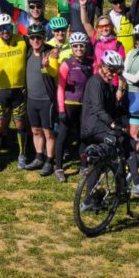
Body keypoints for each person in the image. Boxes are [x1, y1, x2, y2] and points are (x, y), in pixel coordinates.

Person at [79, 50, 139, 207]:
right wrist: (113, 124)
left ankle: (87, 202)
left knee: (99, 163)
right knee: (125, 142)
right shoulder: (96, 82)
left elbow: (113, 109)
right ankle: (137, 183)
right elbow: (99, 109)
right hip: (93, 128)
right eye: (112, 70)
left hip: (98, 127)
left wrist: (131, 115)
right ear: (103, 66)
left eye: (117, 71)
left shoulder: (106, 84)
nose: (114, 74)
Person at [0, 13, 29, 172]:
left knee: (20, 124)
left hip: (19, 89)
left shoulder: (22, 40)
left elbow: (40, 43)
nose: (4, 31)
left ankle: (22, 155)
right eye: (0, 29)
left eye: (7, 27)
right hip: (1, 91)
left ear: (12, 27)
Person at [53, 32, 93, 182]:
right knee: (63, 135)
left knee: (84, 136)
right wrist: (61, 109)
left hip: (85, 105)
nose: (78, 49)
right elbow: (60, 88)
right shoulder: (66, 63)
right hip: (70, 105)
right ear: (71, 47)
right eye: (75, 46)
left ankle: (83, 165)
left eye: (81, 46)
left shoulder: (91, 62)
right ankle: (58, 167)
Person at [22, 21, 60, 176]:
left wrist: (47, 66)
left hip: (46, 100)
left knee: (48, 133)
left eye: (39, 37)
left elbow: (54, 73)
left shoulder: (50, 53)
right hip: (31, 99)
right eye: (32, 37)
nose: (35, 40)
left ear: (44, 38)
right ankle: (39, 157)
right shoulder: (28, 52)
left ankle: (50, 161)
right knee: (35, 130)